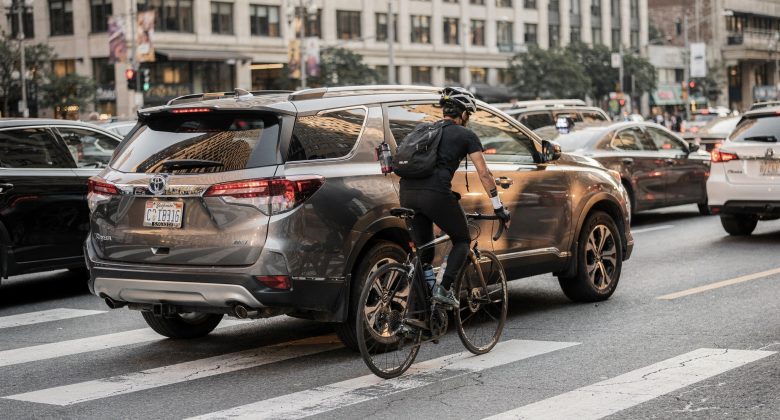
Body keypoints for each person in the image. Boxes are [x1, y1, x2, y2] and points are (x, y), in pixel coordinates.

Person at [399, 87, 511, 308]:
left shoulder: (426, 130)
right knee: (462, 240)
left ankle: (413, 320)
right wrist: (499, 207)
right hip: (435, 196)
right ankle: (445, 289)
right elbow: (484, 173)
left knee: (425, 254)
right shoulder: (466, 135)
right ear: (464, 114)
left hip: (407, 195)